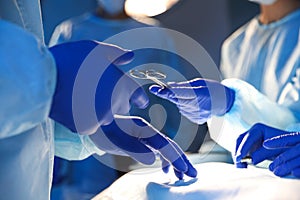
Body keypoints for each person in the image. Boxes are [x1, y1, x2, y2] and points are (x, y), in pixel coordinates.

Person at [0, 1, 197, 199]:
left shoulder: (155, 33)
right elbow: (47, 99)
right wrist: (49, 78)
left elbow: (32, 113)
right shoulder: (71, 29)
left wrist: (92, 136)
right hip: (80, 175)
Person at [149, 0, 300, 177]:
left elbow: (290, 129)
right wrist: (196, 160)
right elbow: (227, 150)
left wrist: (231, 102)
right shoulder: (235, 44)